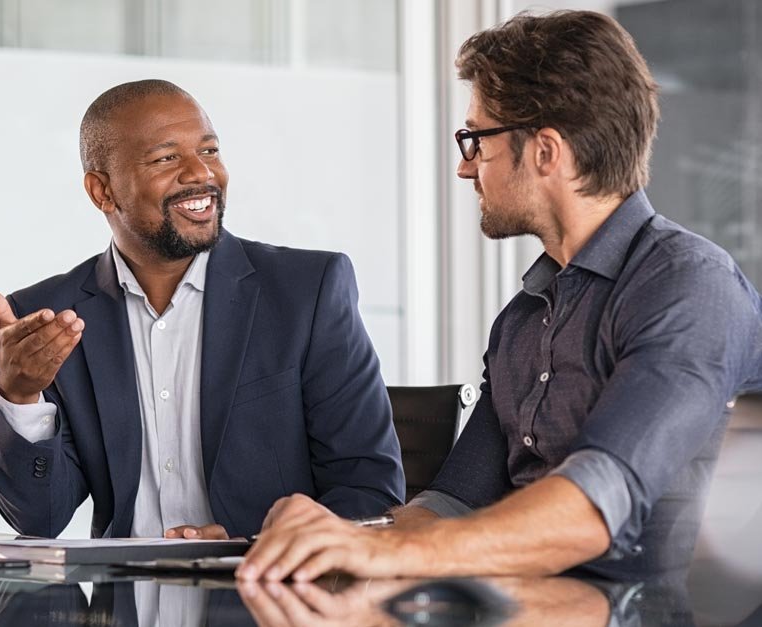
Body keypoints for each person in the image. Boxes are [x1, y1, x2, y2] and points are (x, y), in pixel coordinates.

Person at [237, 10, 762, 582]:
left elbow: (596, 507)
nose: (466, 169)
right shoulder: (522, 320)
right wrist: (330, 537)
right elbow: (449, 505)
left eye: (476, 141)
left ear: (545, 152)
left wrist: (384, 554)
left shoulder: (688, 287)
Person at [0, 79, 405, 541]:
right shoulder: (51, 318)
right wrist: (18, 396)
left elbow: (369, 491)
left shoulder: (307, 293)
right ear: (102, 191)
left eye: (209, 151)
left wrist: (253, 547)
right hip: (124, 605)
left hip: (264, 596)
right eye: (166, 158)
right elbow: (39, 519)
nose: (200, 174)